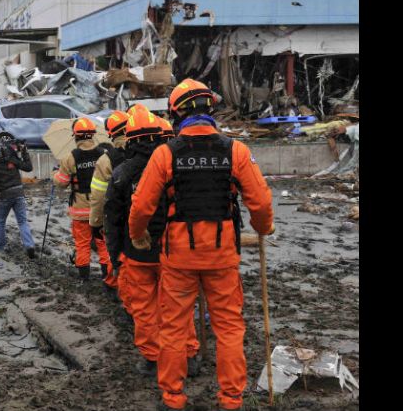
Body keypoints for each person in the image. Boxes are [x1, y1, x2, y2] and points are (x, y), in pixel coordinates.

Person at [128, 79, 274, 411]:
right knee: (229, 327)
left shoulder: (166, 154)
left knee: (174, 329)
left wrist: (138, 235)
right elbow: (261, 204)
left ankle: (173, 397)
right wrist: (263, 228)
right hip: (222, 257)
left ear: (176, 114)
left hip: (178, 258)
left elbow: (141, 208)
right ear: (210, 109)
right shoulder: (235, 150)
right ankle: (231, 398)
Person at [104, 105, 201, 377]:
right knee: (179, 306)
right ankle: (190, 356)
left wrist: (114, 258)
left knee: (144, 309)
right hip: (174, 251)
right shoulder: (174, 166)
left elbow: (112, 218)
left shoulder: (122, 172)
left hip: (136, 255)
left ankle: (152, 358)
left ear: (130, 138)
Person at [53, 117, 113, 285]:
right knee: (103, 243)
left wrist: (55, 175)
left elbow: (62, 183)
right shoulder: (104, 154)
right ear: (93, 135)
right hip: (100, 208)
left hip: (80, 209)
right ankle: (107, 278)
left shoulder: (70, 158)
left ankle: (84, 278)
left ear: (76, 136)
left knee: (82, 244)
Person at [88, 110, 129, 289]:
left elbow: (98, 196)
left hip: (116, 216)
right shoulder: (152, 151)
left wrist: (95, 223)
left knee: (115, 250)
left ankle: (113, 284)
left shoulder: (106, 160)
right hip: (147, 216)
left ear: (111, 133)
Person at [0, 136, 36, 258]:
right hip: (19, 192)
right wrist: (24, 152)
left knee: (1, 221)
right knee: (22, 222)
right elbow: (28, 167)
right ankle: (29, 245)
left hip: (5, 195)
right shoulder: (11, 160)